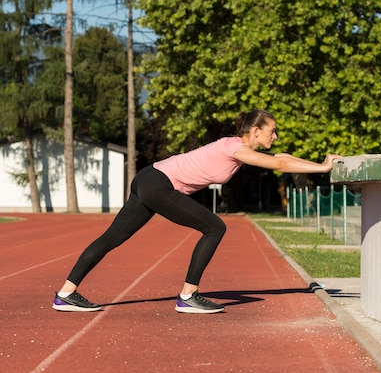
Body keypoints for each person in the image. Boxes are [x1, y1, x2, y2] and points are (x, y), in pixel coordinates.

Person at [52, 109, 340, 314]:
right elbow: (279, 165)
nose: (275, 135)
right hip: (158, 184)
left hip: (149, 178)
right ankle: (188, 295)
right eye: (271, 130)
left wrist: (320, 164)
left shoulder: (238, 149)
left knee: (112, 238)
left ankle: (65, 293)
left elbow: (280, 158)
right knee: (215, 227)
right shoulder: (235, 148)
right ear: (255, 131)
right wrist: (324, 168)